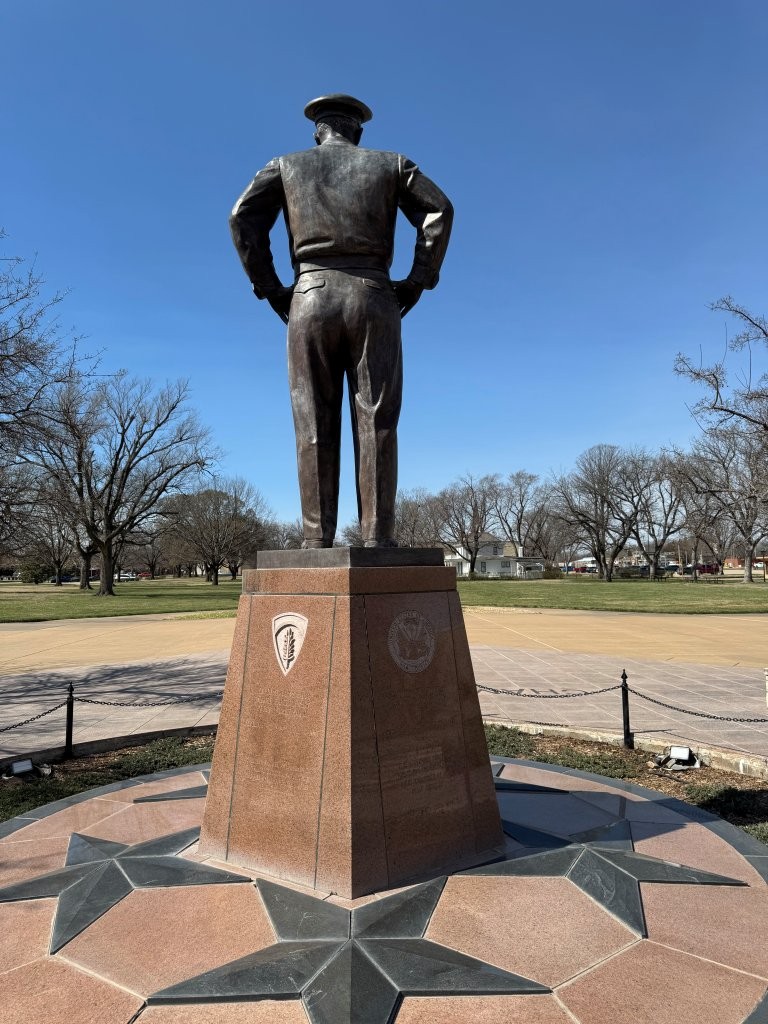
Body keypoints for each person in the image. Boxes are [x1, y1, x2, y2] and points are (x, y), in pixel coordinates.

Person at [229, 94, 453, 548]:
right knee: (378, 421)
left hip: (310, 295)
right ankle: (377, 537)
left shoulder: (285, 165)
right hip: (374, 295)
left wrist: (270, 286)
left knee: (312, 421)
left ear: (318, 132)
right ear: (358, 132)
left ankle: (316, 540)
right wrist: (417, 280)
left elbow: (242, 218)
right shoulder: (392, 164)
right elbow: (439, 211)